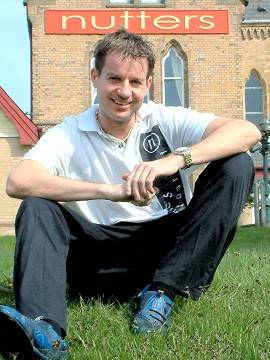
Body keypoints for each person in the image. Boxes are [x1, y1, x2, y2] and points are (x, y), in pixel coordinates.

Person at [1, 28, 261, 359]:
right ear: (95, 77)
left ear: (148, 85)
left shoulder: (164, 119)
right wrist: (109, 191)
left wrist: (174, 160)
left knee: (237, 164)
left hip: (162, 253)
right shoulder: (69, 132)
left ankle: (162, 294)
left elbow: (247, 131)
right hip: (94, 259)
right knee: (37, 204)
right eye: (115, 79)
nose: (125, 92)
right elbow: (18, 180)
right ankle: (45, 330)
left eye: (135, 82)